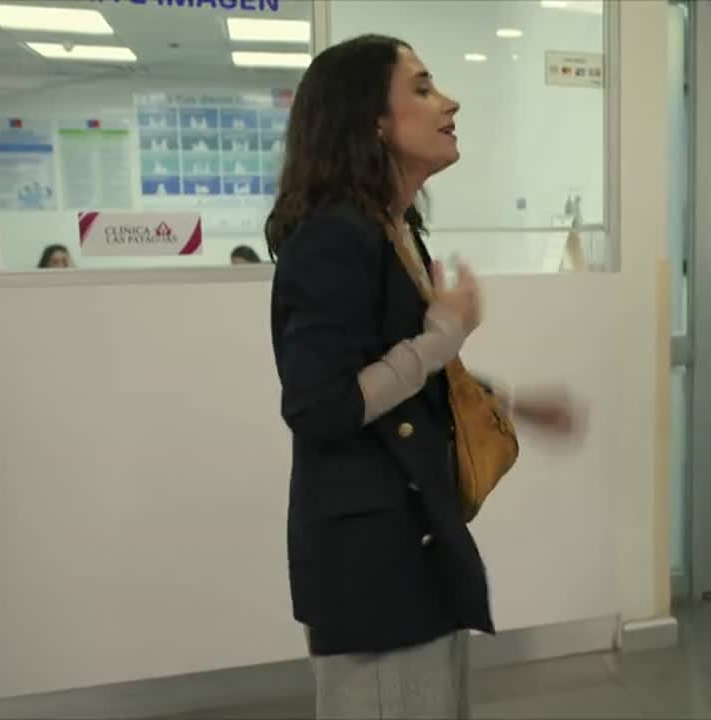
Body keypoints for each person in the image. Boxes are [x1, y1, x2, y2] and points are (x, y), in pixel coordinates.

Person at [265, 34, 578, 719]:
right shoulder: (333, 237)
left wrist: (505, 402)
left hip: (416, 544)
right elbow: (322, 406)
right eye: (424, 87)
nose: (449, 102)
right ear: (373, 121)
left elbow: (398, 372)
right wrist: (441, 339)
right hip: (373, 567)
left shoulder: (395, 229)